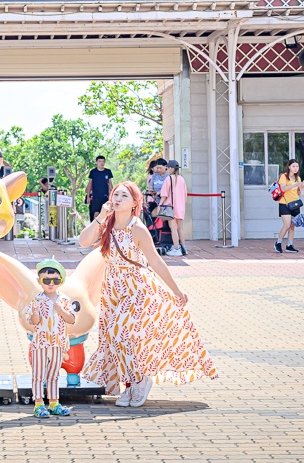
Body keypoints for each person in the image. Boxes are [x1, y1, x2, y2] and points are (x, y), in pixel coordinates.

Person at [79, 182, 217, 407]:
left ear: (135, 203)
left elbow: (155, 260)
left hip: (135, 287)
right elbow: (83, 241)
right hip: (112, 287)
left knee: (119, 333)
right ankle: (130, 384)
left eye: (124, 196)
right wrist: (101, 215)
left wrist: (176, 290)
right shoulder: (107, 223)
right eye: (116, 194)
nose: (118, 199)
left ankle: (140, 380)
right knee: (112, 339)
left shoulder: (137, 228)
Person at [22, 258, 76, 418]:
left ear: (61, 281)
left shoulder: (64, 300)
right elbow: (33, 322)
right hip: (41, 343)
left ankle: (54, 403)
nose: (51, 284)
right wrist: (35, 313)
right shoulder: (36, 300)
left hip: (58, 343)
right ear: (39, 281)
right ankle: (38, 404)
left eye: (55, 280)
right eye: (46, 280)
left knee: (54, 374)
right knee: (38, 374)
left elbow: (72, 319)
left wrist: (61, 311)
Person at [158, 160, 187, 257]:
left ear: (171, 168)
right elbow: (185, 195)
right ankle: (184, 248)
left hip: (171, 207)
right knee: (180, 229)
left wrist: (160, 205)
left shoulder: (168, 179)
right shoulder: (182, 179)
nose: (167, 170)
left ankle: (176, 248)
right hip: (180, 207)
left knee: (173, 229)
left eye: (168, 168)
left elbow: (164, 195)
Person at [275, 160, 304, 253]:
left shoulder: (298, 178)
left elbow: (298, 192)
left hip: (295, 203)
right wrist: (294, 185)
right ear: (289, 167)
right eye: (293, 166)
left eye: (297, 166)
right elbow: (283, 188)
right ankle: (278, 243)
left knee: (292, 226)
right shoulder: (284, 176)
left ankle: (290, 245)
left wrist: (300, 188)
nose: (295, 168)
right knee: (287, 224)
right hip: (285, 203)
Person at [85, 155, 114, 222]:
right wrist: (88, 197)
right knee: (96, 214)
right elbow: (90, 184)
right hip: (96, 197)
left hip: (105, 196)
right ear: (96, 162)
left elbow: (110, 184)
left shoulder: (108, 172)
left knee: (105, 214)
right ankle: (96, 227)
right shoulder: (93, 172)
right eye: (100, 161)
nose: (101, 163)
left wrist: (112, 196)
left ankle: (104, 227)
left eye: (103, 161)